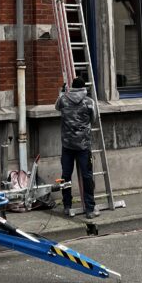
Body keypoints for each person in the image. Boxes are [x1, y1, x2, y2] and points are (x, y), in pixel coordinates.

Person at [55, 75, 99, 219]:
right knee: (87, 176)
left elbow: (56, 107)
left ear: (72, 86)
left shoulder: (64, 99)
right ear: (83, 87)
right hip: (83, 146)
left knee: (66, 176)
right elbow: (94, 119)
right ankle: (90, 209)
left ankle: (67, 206)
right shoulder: (89, 102)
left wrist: (61, 93)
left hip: (67, 145)